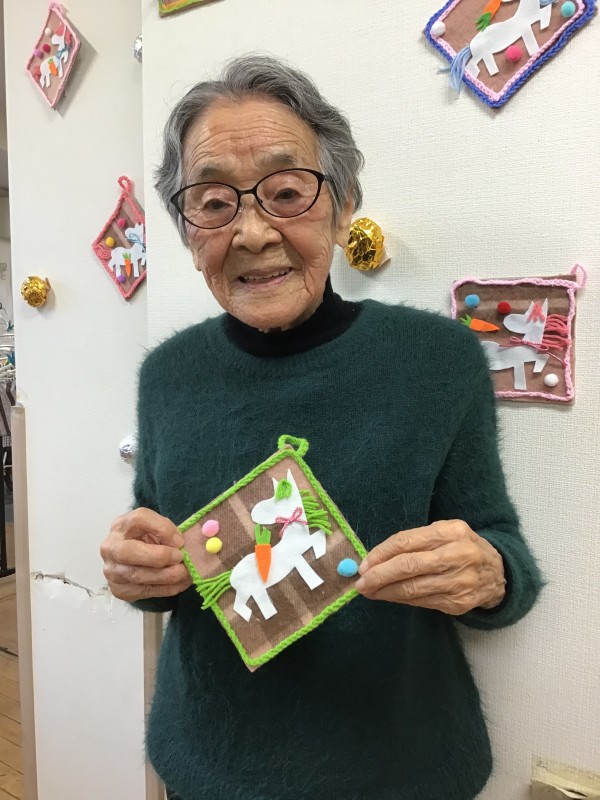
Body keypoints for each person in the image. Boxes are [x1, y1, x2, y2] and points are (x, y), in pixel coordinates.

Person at [100, 55, 542, 800]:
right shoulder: (168, 375)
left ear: (342, 206)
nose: (252, 233)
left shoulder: (438, 361)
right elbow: (170, 559)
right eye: (213, 203)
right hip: (208, 764)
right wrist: (139, 574)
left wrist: (491, 575)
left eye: (286, 193)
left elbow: (503, 555)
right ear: (187, 230)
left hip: (401, 769)